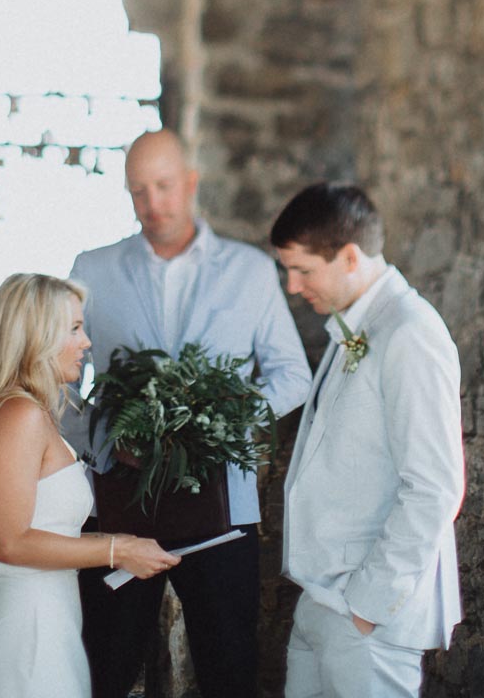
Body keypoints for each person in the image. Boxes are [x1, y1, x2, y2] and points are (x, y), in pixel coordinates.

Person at [64, 130, 312, 698]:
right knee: (106, 667)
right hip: (121, 504)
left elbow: (293, 377)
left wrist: (217, 425)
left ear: (191, 183)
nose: (154, 205)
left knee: (228, 671)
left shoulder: (250, 270)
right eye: (139, 192)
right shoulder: (91, 268)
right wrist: (104, 444)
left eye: (165, 187)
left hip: (223, 512)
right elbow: (61, 384)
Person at [271, 183, 464, 698]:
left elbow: (434, 487)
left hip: (366, 612)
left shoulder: (410, 333)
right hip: (321, 596)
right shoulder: (355, 326)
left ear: (350, 256)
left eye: (303, 270)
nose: (292, 286)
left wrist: (367, 605)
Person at [0, 274, 179, 698]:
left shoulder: (30, 411)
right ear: (36, 335)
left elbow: (46, 528)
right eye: (74, 328)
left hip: (51, 623)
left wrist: (119, 540)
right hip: (26, 639)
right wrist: (118, 550)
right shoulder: (17, 415)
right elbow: (13, 543)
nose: (87, 341)